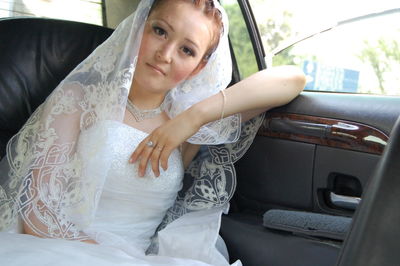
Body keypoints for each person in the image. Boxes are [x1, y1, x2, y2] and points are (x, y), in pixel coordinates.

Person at [0, 0, 305, 265]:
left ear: (199, 68)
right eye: (160, 31)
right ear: (138, 29)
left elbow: (292, 78)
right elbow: (37, 217)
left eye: (187, 50)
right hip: (58, 251)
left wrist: (192, 118)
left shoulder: (189, 125)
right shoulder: (79, 99)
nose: (166, 54)